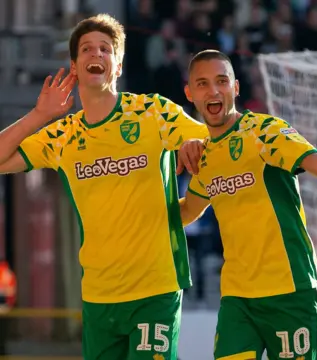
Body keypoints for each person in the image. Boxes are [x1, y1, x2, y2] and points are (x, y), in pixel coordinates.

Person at [0, 14, 208, 360]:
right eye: (86, 49)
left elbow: (211, 143)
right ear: (75, 66)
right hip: (98, 295)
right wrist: (40, 115)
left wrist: (196, 150)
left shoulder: (152, 112)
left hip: (155, 288)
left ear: (119, 65)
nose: (96, 54)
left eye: (105, 49)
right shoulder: (63, 135)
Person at [177, 49, 317, 360]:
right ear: (190, 93)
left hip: (290, 290)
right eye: (203, 83)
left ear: (235, 87)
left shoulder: (265, 131)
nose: (214, 91)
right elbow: (187, 211)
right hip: (237, 297)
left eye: (222, 81)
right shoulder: (204, 155)